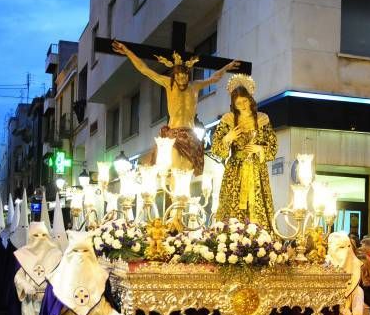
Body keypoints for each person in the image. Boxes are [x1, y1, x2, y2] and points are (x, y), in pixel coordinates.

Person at [112, 40, 238, 174]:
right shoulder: (169, 85)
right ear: (174, 77)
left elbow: (214, 78)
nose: (181, 81)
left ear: (188, 76)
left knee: (187, 172)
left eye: (184, 78)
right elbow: (145, 70)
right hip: (173, 133)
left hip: (190, 134)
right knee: (172, 170)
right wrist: (127, 52)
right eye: (178, 78)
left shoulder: (195, 86)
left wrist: (226, 67)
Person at [211, 75, 278, 227]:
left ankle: (259, 239)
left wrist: (259, 149)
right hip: (235, 170)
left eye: (245, 101)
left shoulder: (262, 119)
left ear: (250, 100)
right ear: (233, 104)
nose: (242, 105)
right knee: (233, 203)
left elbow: (273, 145)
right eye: (238, 103)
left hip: (256, 169)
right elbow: (216, 147)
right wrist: (228, 137)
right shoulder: (228, 119)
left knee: (256, 201)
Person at [13, 223, 62, 315]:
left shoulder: (56, 254)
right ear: (30, 236)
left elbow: (61, 276)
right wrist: (25, 285)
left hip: (50, 302)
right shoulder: (22, 254)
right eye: (36, 235)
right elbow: (18, 277)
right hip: (30, 301)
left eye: (43, 235)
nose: (40, 238)